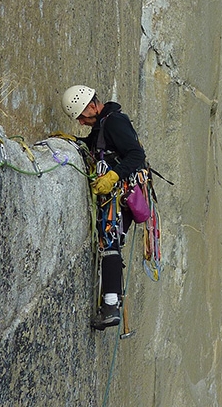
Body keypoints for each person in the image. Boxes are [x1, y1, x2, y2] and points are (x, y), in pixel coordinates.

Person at [62, 84, 146, 330]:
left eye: (82, 116)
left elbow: (135, 155)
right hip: (117, 191)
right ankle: (112, 299)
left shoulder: (114, 122)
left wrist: (112, 177)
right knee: (111, 239)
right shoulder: (103, 125)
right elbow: (95, 147)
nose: (81, 122)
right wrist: (74, 142)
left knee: (110, 239)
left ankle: (110, 305)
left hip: (120, 191)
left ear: (91, 106)